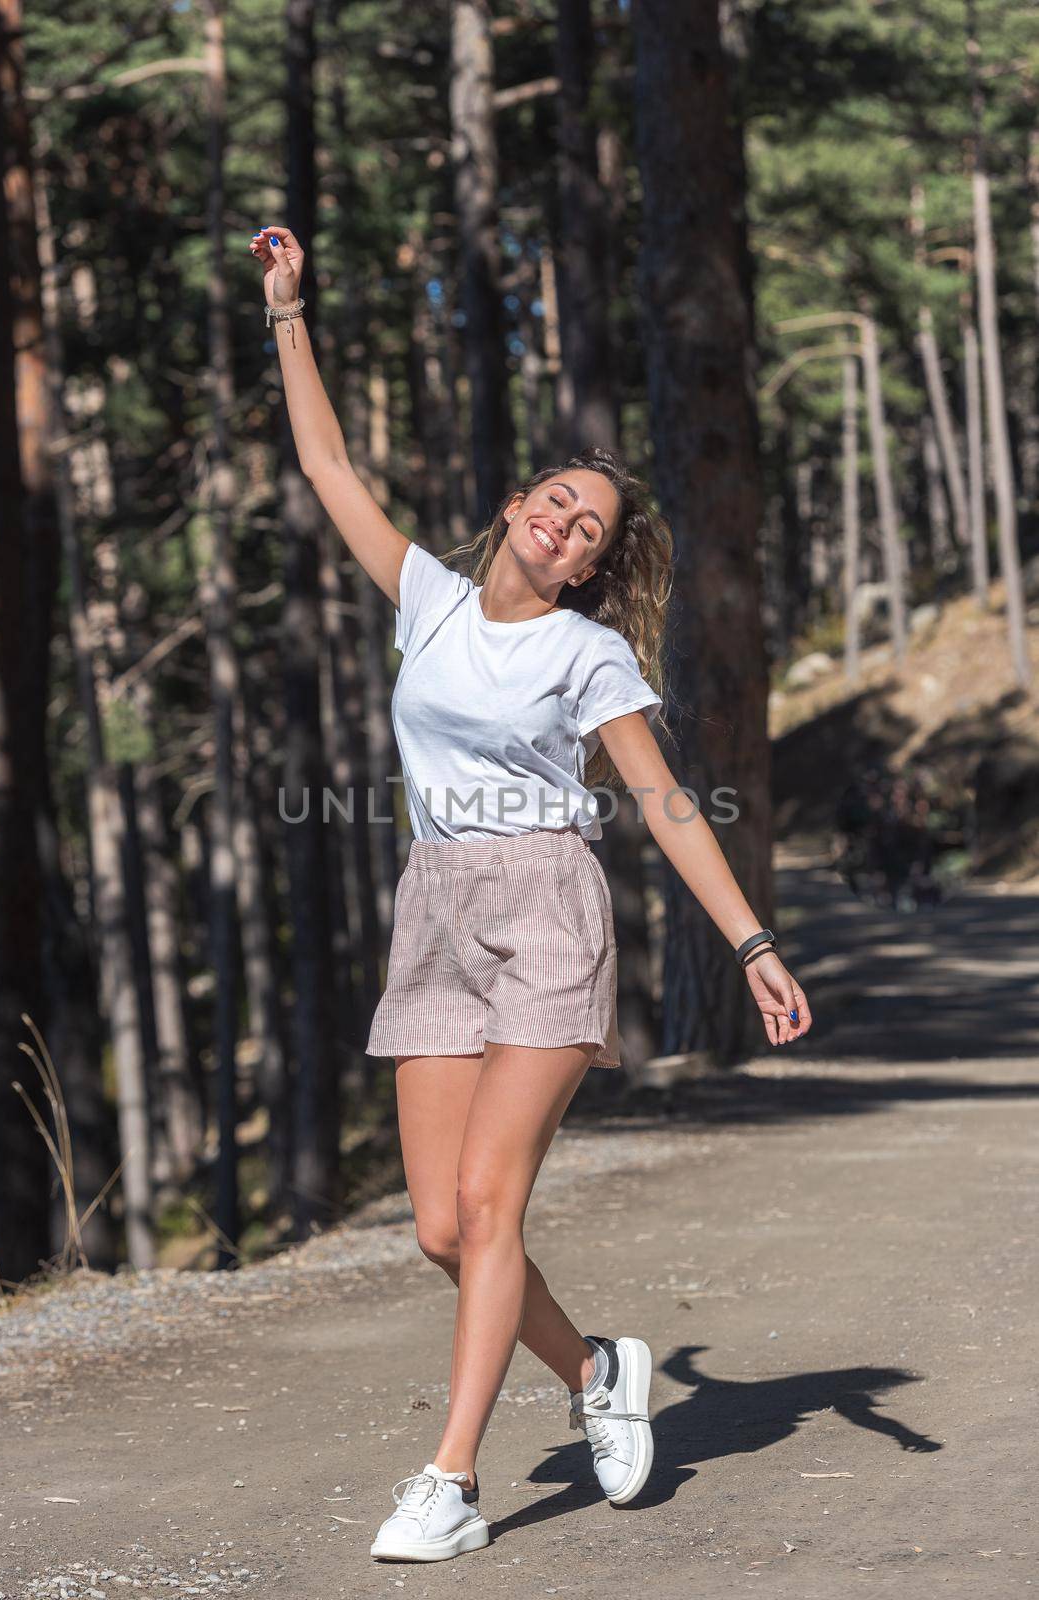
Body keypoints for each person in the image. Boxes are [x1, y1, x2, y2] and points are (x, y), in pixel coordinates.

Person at [250, 224, 813, 1564]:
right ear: (515, 509)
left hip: (549, 909)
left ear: (586, 566)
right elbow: (327, 464)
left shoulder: (587, 655)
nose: (567, 523)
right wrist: (287, 313)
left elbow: (669, 801)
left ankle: (449, 1482)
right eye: (555, 500)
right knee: (442, 1227)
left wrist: (751, 942)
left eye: (592, 528)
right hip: (432, 911)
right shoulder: (429, 601)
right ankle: (597, 1371)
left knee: (493, 1209)